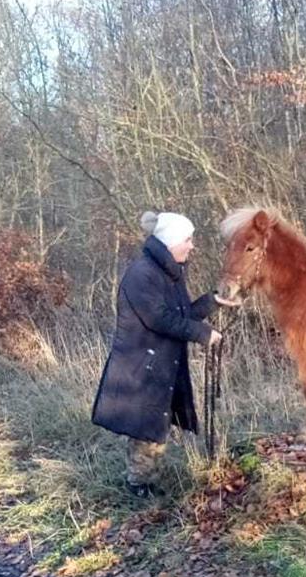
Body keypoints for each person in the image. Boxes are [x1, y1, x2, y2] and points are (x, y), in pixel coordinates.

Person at [91, 211, 238, 496]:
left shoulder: (169, 272)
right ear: (171, 243)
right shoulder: (142, 274)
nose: (192, 245)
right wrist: (203, 334)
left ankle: (147, 481)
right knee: (146, 429)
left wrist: (212, 302)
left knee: (155, 425)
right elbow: (159, 319)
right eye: (188, 239)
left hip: (158, 364)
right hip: (140, 367)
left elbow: (183, 314)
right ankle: (138, 487)